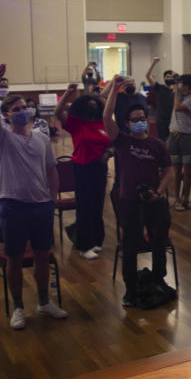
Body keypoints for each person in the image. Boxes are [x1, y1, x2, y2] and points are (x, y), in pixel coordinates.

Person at [0, 64, 67, 330]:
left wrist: (53, 197)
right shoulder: (2, 139)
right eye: (15, 110)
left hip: (41, 205)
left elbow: (51, 169)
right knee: (15, 257)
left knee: (43, 255)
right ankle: (18, 307)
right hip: (13, 205)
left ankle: (44, 301)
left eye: (24, 108)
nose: (22, 112)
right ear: (7, 116)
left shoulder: (42, 138)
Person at [103, 75, 174, 307]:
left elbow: (169, 170)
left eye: (142, 118)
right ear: (127, 124)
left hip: (154, 200)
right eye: (135, 120)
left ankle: (159, 279)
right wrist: (114, 88)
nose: (140, 122)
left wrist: (160, 192)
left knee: (158, 242)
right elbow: (106, 116)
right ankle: (130, 290)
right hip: (129, 200)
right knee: (130, 245)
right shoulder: (122, 141)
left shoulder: (157, 144)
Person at [56, 84, 110, 259]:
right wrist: (68, 93)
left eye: (95, 107)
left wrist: (108, 153)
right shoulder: (76, 124)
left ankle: (96, 240)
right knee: (85, 205)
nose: (92, 109)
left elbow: (112, 144)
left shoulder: (102, 122)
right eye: (90, 107)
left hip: (100, 167)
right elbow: (58, 113)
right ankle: (83, 244)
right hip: (82, 167)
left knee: (98, 204)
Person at [167, 74, 191, 211]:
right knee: (176, 170)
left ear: (190, 86)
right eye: (180, 84)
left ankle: (186, 198)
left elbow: (177, 108)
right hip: (174, 135)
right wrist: (176, 88)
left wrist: (176, 91)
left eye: (183, 84)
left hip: (188, 136)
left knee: (187, 170)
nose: (181, 87)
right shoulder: (180, 95)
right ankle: (177, 199)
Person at [146, 57, 176, 140]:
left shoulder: (177, 90)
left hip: (173, 120)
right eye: (167, 77)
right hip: (161, 120)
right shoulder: (159, 87)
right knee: (162, 140)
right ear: (164, 78)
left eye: (171, 77)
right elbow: (147, 76)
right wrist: (154, 63)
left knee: (172, 141)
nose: (169, 78)